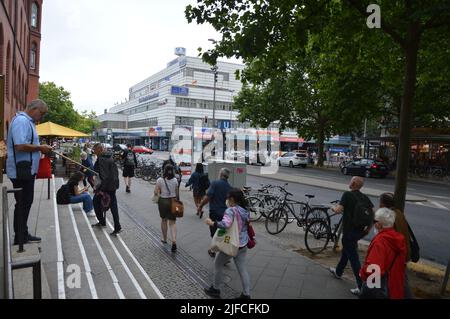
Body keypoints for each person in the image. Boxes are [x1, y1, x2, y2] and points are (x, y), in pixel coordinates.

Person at [6, 99, 53, 245]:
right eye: (42, 113)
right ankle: (20, 237)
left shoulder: (28, 122)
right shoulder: (21, 121)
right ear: (34, 109)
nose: (42, 117)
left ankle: (23, 233)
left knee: (25, 203)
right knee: (23, 203)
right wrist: (40, 148)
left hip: (26, 170)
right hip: (21, 171)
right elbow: (20, 145)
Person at [329, 176, 374, 295]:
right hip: (359, 231)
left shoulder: (347, 195)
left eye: (351, 181)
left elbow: (338, 210)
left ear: (353, 183)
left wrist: (333, 208)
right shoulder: (364, 197)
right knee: (347, 251)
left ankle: (361, 286)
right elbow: (373, 214)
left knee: (354, 259)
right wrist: (368, 229)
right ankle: (338, 272)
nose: (349, 183)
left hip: (349, 231)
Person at [204, 188, 251, 299]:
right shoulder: (246, 210)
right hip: (243, 243)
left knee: (217, 264)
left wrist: (212, 223)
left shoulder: (231, 210)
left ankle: (215, 289)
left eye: (228, 198)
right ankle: (246, 295)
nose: (227, 200)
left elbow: (226, 224)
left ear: (232, 199)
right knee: (242, 269)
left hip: (232, 243)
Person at [359, 208, 407, 299]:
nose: (374, 223)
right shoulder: (398, 239)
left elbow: (374, 268)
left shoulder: (380, 241)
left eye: (374, 221)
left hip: (380, 285)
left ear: (379, 224)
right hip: (393, 284)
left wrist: (362, 273)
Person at [379, 192, 414, 298]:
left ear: (382, 205)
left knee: (391, 283)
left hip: (394, 256)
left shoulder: (386, 218)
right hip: (403, 252)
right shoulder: (399, 213)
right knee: (401, 280)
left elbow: (384, 239)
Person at [197, 168, 232, 257]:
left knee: (214, 233)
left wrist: (200, 205)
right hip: (224, 212)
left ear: (220, 174)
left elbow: (208, 197)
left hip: (214, 212)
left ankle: (214, 251)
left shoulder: (215, 183)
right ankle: (219, 252)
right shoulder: (229, 187)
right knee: (221, 232)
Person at [91, 143, 122, 236]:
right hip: (112, 186)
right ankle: (114, 225)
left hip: (106, 187)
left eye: (95, 150)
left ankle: (104, 222)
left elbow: (104, 176)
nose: (94, 152)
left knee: (96, 202)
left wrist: (99, 189)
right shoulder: (109, 157)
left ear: (100, 150)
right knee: (113, 206)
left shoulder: (102, 159)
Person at [154, 164, 179, 252]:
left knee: (164, 220)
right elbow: (176, 193)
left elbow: (156, 192)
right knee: (173, 222)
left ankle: (164, 238)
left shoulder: (160, 180)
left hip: (163, 201)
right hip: (173, 201)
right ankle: (174, 240)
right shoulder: (175, 180)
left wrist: (159, 194)